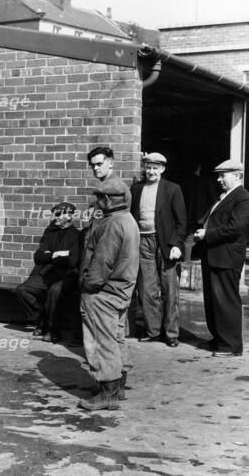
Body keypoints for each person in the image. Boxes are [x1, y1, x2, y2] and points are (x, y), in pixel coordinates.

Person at [78, 178, 140, 411]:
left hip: (103, 293)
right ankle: (118, 387)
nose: (96, 203)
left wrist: (88, 286)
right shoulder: (128, 220)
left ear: (106, 200)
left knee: (101, 341)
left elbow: (101, 262)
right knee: (116, 337)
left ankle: (108, 393)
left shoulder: (111, 223)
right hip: (122, 290)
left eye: (98, 199)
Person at [130, 153, 187, 348]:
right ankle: (152, 330)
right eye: (148, 167)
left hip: (166, 244)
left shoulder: (172, 189)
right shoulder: (136, 189)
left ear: (162, 169)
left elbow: (181, 222)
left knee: (169, 289)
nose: (151, 171)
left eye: (155, 168)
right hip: (143, 242)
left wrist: (178, 245)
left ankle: (171, 333)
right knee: (146, 288)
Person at [194, 160, 249, 357]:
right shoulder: (226, 196)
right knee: (214, 300)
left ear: (237, 176)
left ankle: (231, 345)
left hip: (226, 256)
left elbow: (236, 228)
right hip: (215, 254)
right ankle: (219, 338)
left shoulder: (242, 197)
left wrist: (206, 234)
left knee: (226, 300)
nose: (219, 180)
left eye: (223, 175)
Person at [16, 201, 81, 342]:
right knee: (23, 290)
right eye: (54, 215)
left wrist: (50, 255)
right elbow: (38, 258)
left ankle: (53, 330)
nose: (55, 218)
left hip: (67, 276)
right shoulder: (51, 235)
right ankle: (41, 319)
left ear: (69, 216)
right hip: (48, 273)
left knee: (54, 292)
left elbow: (72, 261)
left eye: (58, 215)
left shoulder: (76, 235)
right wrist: (57, 255)